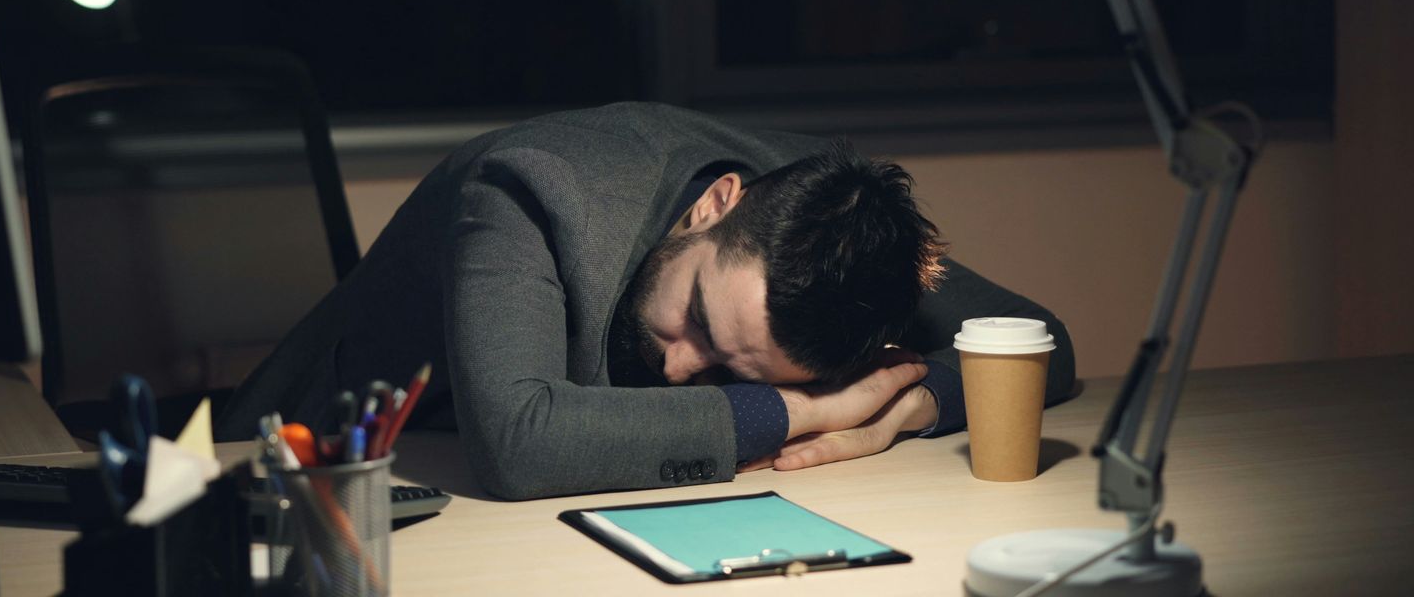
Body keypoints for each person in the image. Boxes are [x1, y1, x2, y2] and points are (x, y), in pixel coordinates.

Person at [216, 102, 1075, 499]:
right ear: (717, 205)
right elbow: (520, 444)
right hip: (320, 479)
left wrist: (906, 409)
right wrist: (808, 410)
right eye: (699, 321)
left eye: (739, 369)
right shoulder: (532, 186)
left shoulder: (839, 227)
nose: (678, 365)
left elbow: (1044, 343)